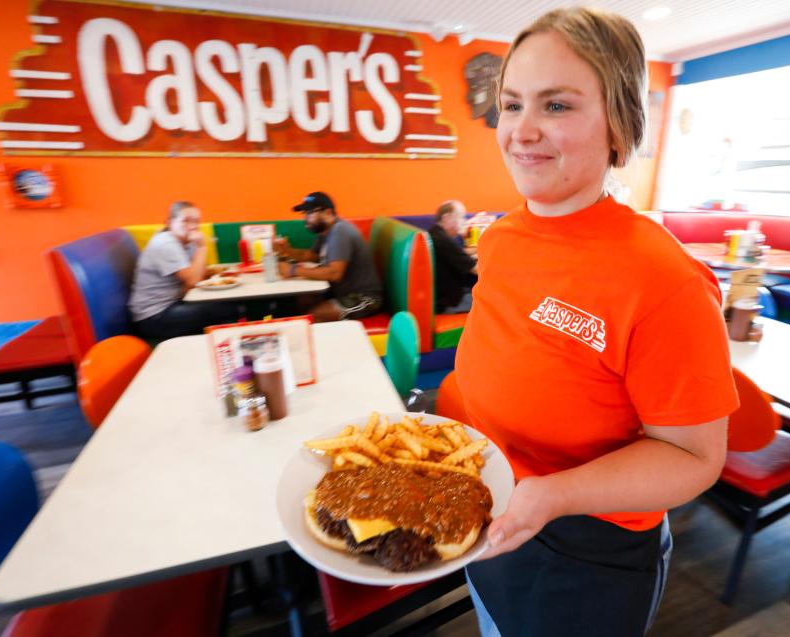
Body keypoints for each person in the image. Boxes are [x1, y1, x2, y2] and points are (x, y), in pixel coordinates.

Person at [454, 8, 739, 637]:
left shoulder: (663, 278)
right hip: (494, 514)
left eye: (556, 106)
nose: (522, 131)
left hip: (591, 556)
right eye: (511, 104)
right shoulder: (501, 237)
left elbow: (693, 458)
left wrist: (553, 495)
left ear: (618, 125)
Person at [129, 201, 240, 340]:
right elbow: (193, 281)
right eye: (186, 221)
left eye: (196, 221)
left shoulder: (186, 241)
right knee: (228, 310)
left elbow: (198, 275)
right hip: (153, 317)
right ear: (169, 222)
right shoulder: (165, 243)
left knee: (227, 303)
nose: (193, 227)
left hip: (173, 304)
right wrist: (202, 247)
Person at [273, 192, 383, 322]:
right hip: (340, 292)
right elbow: (310, 255)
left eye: (309, 213)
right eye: (304, 214)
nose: (305, 218)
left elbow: (334, 273)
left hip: (365, 298)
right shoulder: (326, 231)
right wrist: (286, 250)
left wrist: (292, 270)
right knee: (301, 301)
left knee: (311, 316)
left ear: (328, 213)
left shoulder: (340, 231)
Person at [428, 200, 478, 314]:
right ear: (447, 218)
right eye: (461, 217)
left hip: (448, 294)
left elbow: (459, 253)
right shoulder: (443, 241)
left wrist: (480, 249)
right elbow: (477, 269)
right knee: (497, 301)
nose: (464, 221)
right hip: (450, 302)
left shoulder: (435, 232)